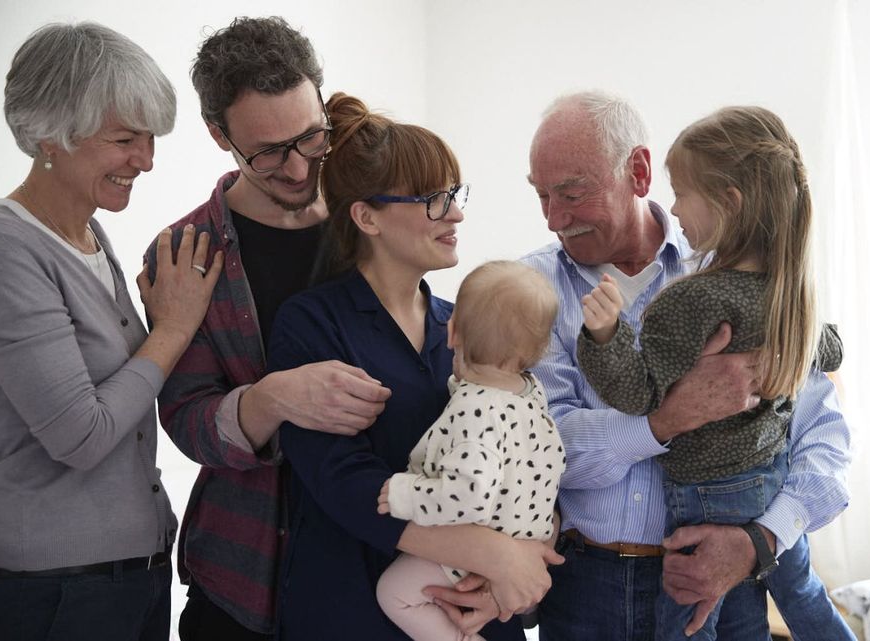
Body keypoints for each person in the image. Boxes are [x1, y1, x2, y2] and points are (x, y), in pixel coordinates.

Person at [520, 91, 852, 641]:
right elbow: (541, 450)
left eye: (572, 193)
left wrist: (760, 541)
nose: (556, 217)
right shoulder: (527, 289)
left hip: (734, 579)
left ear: (640, 171)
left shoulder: (743, 280)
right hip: (586, 592)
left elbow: (826, 441)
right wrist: (665, 420)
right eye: (541, 196)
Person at [269, 93, 562, 641]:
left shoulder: (465, 325)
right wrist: (494, 554)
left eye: (454, 194)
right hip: (355, 606)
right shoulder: (312, 323)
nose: (455, 213)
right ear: (366, 217)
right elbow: (341, 479)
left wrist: (513, 569)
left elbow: (529, 448)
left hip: (470, 605)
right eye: (432, 199)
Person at [142, 17, 390, 641]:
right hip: (242, 578)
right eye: (268, 152)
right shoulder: (183, 253)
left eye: (311, 137)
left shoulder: (376, 216)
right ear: (218, 134)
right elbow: (187, 421)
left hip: (373, 566)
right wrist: (272, 398)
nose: (300, 168)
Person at [0, 22, 221, 641]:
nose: (144, 160)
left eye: (148, 140)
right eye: (124, 139)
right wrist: (170, 330)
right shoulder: (5, 249)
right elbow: (82, 435)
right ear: (48, 135)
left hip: (126, 576)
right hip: (53, 591)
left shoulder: (90, 236)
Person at [375, 260, 566, 641]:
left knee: (395, 594)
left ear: (452, 331)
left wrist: (404, 494)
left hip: (480, 539)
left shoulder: (473, 413)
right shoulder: (530, 394)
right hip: (527, 537)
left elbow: (468, 496)